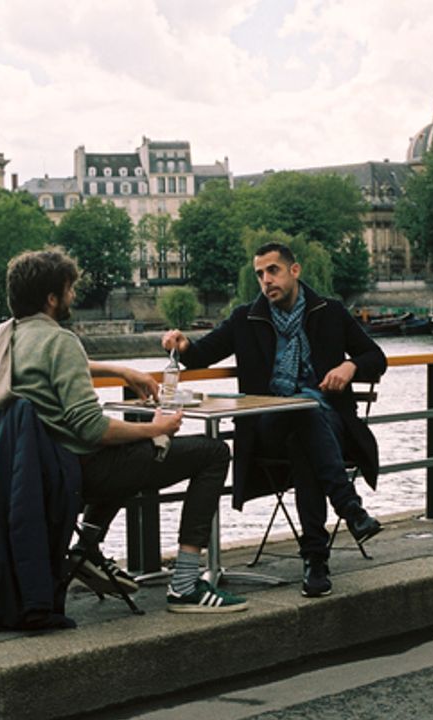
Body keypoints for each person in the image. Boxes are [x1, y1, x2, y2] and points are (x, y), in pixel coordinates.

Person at [0, 247, 247, 613]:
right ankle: (187, 584)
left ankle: (86, 550)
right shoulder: (60, 341)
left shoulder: (8, 337)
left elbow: (55, 365)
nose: (74, 296)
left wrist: (119, 371)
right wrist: (155, 428)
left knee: (124, 454)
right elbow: (92, 428)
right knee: (213, 453)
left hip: (35, 476)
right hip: (79, 474)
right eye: (69, 289)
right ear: (51, 299)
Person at [162, 242, 387, 598]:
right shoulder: (246, 318)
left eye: (273, 271)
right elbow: (201, 354)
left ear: (294, 271)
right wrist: (183, 344)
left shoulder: (330, 312)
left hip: (327, 425)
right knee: (299, 413)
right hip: (267, 428)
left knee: (304, 429)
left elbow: (376, 357)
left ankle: (316, 557)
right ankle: (347, 509)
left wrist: (349, 365)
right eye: (260, 274)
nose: (266, 281)